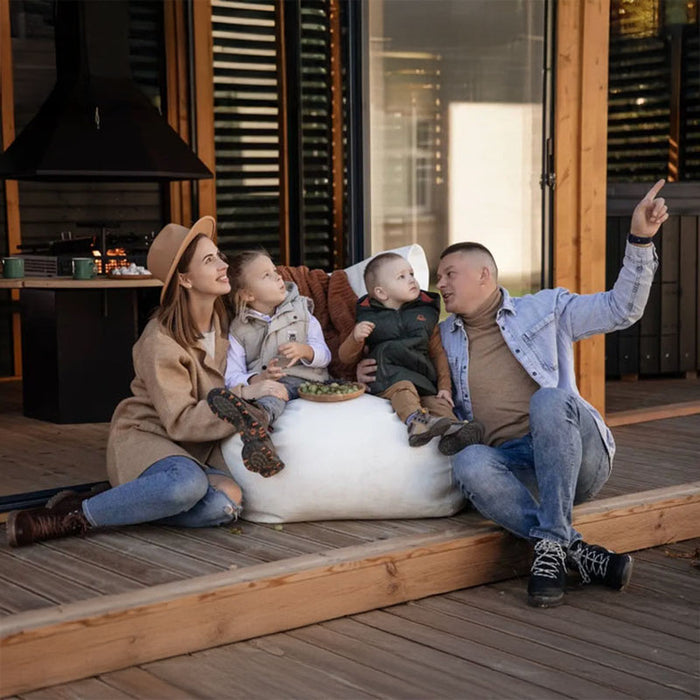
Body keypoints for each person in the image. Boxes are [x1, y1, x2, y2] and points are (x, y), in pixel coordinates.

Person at [357, 180, 668, 607]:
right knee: (468, 458)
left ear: (484, 274)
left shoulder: (546, 309)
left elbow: (621, 309)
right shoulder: (439, 338)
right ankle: (570, 549)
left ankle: (556, 543)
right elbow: (404, 378)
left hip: (577, 457)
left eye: (450, 274)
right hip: (516, 470)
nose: (440, 286)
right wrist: (362, 368)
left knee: (550, 399)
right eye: (439, 277)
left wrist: (639, 240)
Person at [6, 217, 282, 547]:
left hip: (199, 448)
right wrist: (244, 395)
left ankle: (126, 499)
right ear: (185, 279)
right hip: (151, 435)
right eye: (210, 261)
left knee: (225, 505)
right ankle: (73, 515)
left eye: (220, 256)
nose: (224, 265)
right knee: (186, 487)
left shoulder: (230, 325)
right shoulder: (160, 342)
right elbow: (179, 421)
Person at [340, 252, 482, 455]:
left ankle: (455, 432)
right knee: (404, 389)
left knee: (437, 402)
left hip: (422, 376)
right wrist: (355, 338)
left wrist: (444, 387)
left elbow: (438, 353)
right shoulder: (368, 318)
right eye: (402, 277)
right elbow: (346, 357)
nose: (412, 280)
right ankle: (416, 424)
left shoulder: (424, 314)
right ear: (381, 293)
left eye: (411, 273)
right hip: (388, 378)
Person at [207, 250, 331, 472]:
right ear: (247, 295)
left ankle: (256, 420)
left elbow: (325, 355)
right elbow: (231, 376)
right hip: (271, 386)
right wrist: (258, 379)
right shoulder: (239, 330)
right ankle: (259, 439)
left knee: (271, 399)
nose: (278, 277)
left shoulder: (302, 313)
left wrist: (306, 351)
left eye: (275, 271)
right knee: (272, 395)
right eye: (266, 275)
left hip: (309, 382)